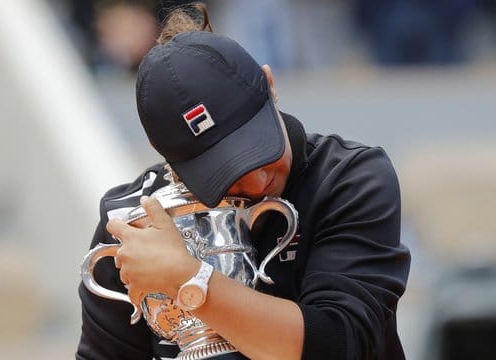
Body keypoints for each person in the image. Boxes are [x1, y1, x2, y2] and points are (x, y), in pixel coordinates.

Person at [76, 3, 411, 359]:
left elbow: (343, 345)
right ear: (163, 154)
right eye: (225, 172)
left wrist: (188, 280)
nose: (258, 180)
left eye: (259, 148)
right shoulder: (132, 223)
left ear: (270, 85)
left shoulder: (348, 177)